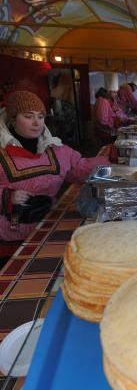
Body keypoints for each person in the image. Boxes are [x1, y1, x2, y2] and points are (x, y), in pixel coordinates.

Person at [0, 91, 109, 266]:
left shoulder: (55, 149)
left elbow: (78, 168)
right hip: (9, 240)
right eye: (28, 116)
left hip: (47, 227)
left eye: (41, 117)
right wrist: (7, 196)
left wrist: (113, 160)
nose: (37, 123)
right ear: (13, 119)